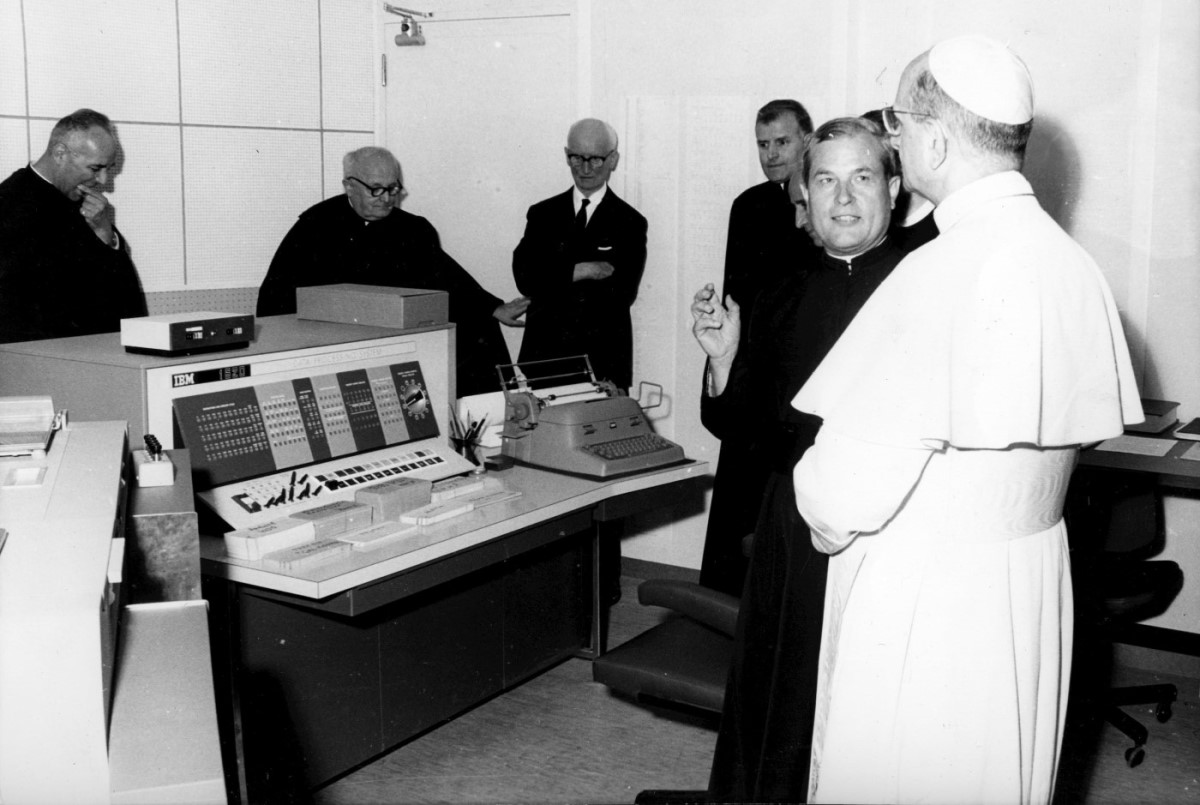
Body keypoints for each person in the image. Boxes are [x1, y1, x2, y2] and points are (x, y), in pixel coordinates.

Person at [791, 36, 1141, 804]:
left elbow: (838, 495)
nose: (894, 138)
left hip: (927, 604)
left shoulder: (936, 273)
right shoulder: (1072, 264)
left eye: (898, 122)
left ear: (937, 140)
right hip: (1027, 588)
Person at [693, 116, 910, 803]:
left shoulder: (924, 283)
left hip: (893, 528)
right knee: (783, 708)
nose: (842, 198)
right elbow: (739, 427)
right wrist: (724, 360)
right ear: (804, 197)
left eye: (862, 177)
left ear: (894, 189)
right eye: (825, 181)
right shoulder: (779, 291)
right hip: (795, 532)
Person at [256, 146, 528, 397]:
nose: (386, 199)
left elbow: (448, 278)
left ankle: (484, 418)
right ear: (349, 186)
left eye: (393, 188)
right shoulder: (315, 227)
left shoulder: (414, 229)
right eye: (375, 189)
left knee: (477, 329)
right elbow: (277, 296)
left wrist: (492, 307)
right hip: (339, 344)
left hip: (401, 341)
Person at [698, 99, 822, 598]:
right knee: (737, 503)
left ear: (807, 140)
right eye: (763, 144)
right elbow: (736, 293)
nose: (771, 154)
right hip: (748, 364)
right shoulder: (747, 205)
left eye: (782, 142)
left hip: (797, 374)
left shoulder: (824, 202)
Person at [512, 118, 648, 391]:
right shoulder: (542, 214)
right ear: (566, 156)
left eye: (595, 159)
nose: (585, 169)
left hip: (601, 363)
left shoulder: (630, 222)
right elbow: (525, 278)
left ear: (613, 159)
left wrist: (551, 277)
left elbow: (621, 293)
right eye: (577, 158)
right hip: (543, 360)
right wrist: (580, 270)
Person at [0, 108, 146, 343]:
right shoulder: (9, 205)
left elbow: (126, 299)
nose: (103, 181)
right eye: (95, 168)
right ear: (60, 153)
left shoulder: (84, 204)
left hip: (99, 353)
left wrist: (105, 234)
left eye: (108, 169)